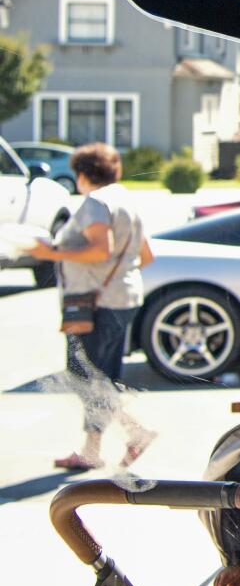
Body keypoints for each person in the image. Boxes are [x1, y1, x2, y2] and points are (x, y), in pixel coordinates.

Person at [37, 143, 157, 472]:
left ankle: (134, 433)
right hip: (123, 298)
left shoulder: (96, 203)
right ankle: (92, 451)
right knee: (101, 377)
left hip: (95, 303)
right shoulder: (126, 199)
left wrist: (52, 254)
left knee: (87, 377)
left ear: (81, 174)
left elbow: (99, 250)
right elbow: (147, 257)